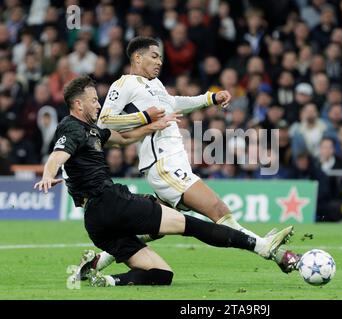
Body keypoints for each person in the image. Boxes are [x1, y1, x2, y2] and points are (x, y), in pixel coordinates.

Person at [34, 76, 297, 287]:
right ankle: (261, 245)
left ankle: (101, 279)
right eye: (93, 101)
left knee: (161, 274)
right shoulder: (71, 127)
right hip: (110, 201)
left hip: (96, 222)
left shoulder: (93, 131)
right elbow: (58, 154)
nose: (98, 105)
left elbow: (124, 139)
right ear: (78, 105)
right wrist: (48, 174)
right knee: (192, 224)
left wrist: (152, 126)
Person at [80, 37, 298, 276]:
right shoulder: (125, 84)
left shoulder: (156, 85)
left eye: (161, 56)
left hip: (173, 161)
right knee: (217, 208)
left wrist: (209, 99)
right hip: (162, 162)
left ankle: (98, 262)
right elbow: (105, 120)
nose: (160, 61)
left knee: (157, 226)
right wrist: (146, 117)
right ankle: (264, 247)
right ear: (137, 58)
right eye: (154, 56)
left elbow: (173, 103)